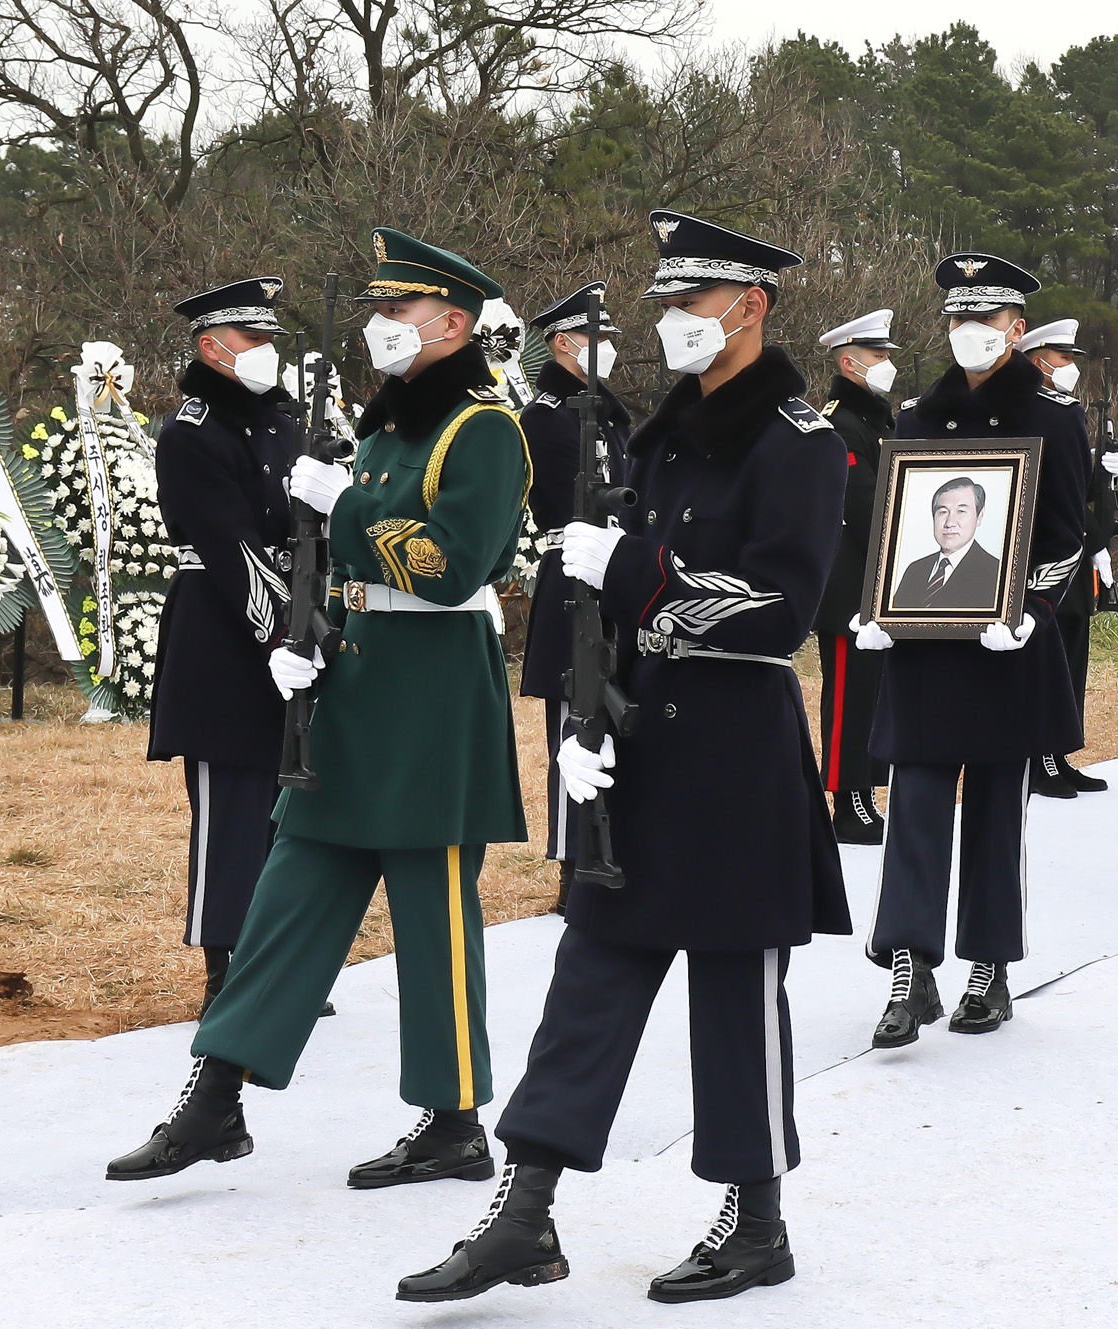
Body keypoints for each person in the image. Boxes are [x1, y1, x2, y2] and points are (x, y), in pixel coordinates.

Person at [400, 210, 850, 1305]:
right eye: (664, 303)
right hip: (639, 749)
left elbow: (780, 609)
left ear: (748, 306)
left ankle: (756, 1221)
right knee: (589, 978)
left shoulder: (796, 444)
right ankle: (524, 1211)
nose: (670, 323)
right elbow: (599, 612)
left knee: (735, 995)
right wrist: (581, 728)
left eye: (689, 303)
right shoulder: (656, 437)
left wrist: (639, 567)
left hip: (735, 760)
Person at [107, 229, 530, 1189]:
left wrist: (341, 510)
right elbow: (345, 565)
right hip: (354, 685)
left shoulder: (482, 427)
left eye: (399, 310)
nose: (381, 325)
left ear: (453, 322)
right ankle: (215, 1101)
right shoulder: (385, 425)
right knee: (288, 898)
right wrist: (307, 635)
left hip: (432, 694)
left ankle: (454, 1117)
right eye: (376, 309)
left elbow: (456, 562)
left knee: (434, 915)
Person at [859, 252, 1089, 1048]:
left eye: (985, 321)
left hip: (1003, 649)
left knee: (995, 810)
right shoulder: (917, 416)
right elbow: (897, 522)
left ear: (1017, 330)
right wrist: (880, 604)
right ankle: (909, 969)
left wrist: (1029, 606)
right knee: (915, 807)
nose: (969, 334)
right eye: (958, 320)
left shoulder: (1056, 418)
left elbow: (1065, 536)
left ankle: (989, 968)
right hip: (926, 649)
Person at [145, 279, 305, 1017]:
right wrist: (282, 627)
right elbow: (227, 542)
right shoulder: (190, 430)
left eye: (271, 339)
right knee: (227, 809)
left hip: (289, 630)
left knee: (282, 805)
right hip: (220, 631)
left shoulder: (282, 423)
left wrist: (314, 623)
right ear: (212, 347)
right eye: (254, 340)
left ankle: (274, 958)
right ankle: (222, 967)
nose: (268, 353)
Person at [519, 282, 633, 912]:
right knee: (574, 712)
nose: (607, 349)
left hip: (617, 569)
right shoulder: (546, 415)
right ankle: (571, 859)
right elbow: (558, 503)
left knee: (612, 710)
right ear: (563, 343)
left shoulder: (607, 410)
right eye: (598, 339)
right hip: (573, 569)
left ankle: (609, 844)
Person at [1020, 317, 1113, 797]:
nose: (1070, 367)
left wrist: (1104, 473)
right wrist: (1095, 540)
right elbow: (1055, 497)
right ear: (1038, 360)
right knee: (1052, 653)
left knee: (1073, 650)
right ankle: (1042, 757)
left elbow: (1081, 490)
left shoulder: (1065, 411)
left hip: (1068, 548)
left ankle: (1058, 752)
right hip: (1050, 552)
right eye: (1063, 358)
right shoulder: (1039, 412)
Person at [815, 309, 898, 843]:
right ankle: (848, 799)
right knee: (848, 691)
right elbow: (866, 503)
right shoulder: (842, 422)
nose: (888, 364)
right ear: (850, 362)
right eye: (878, 356)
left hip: (877, 576)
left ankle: (865, 790)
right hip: (849, 582)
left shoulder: (875, 419)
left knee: (873, 690)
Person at [888, 476, 1005, 609]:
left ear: (979, 517)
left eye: (961, 511)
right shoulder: (915, 570)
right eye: (943, 512)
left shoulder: (996, 574)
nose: (949, 523)